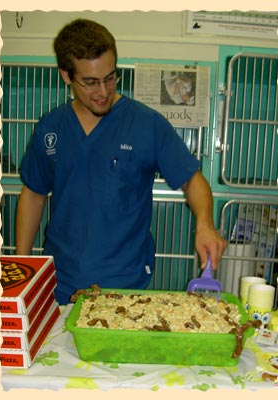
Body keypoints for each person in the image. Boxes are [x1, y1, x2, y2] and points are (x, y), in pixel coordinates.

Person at [15, 18, 227, 305]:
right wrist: (23, 268)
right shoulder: (51, 128)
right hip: (59, 283)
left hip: (126, 287)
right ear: (66, 75)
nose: (103, 91)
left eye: (110, 77)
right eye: (90, 82)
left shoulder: (146, 124)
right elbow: (34, 194)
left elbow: (192, 179)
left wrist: (205, 223)